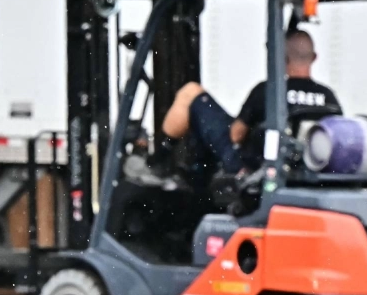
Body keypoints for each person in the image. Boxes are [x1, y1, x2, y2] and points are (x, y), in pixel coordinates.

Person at [136, 28, 342, 187]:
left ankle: (156, 162)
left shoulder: (268, 91)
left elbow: (236, 135)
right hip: (303, 173)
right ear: (314, 58)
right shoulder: (330, 98)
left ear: (282, 58)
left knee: (191, 93)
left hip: (252, 169)